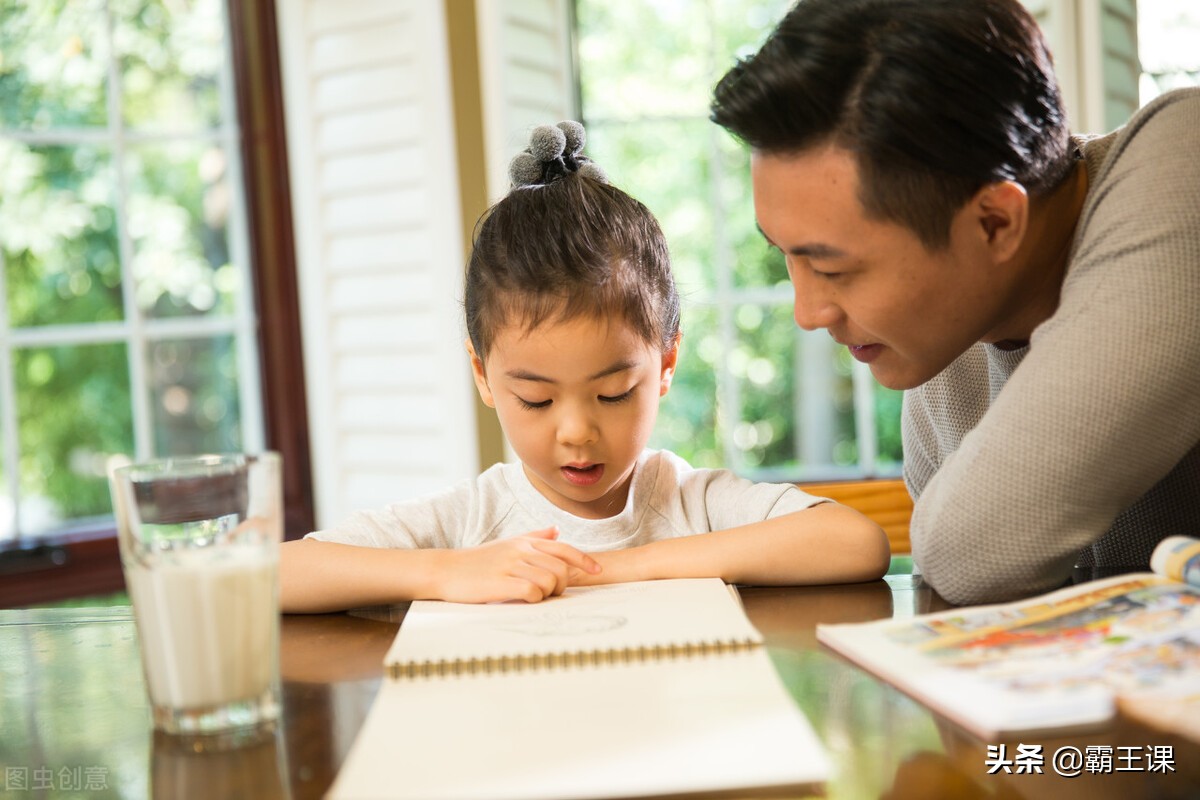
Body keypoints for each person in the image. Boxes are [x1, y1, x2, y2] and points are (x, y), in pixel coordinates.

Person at [281, 121, 890, 613]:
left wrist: (619, 567)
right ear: (483, 374)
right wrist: (448, 571)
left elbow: (856, 543)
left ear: (668, 360)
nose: (575, 431)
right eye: (537, 401)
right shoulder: (474, 520)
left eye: (615, 392)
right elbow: (270, 576)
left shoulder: (684, 503)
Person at [710, 0, 1200, 606]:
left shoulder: (1185, 161)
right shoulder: (951, 348)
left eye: (833, 267)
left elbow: (969, 554)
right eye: (786, 256)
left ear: (995, 223)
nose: (808, 313)